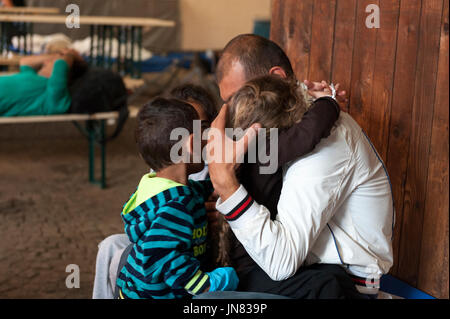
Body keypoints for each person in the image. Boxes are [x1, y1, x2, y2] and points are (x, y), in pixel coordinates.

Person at [204, 34, 394, 299]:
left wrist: (227, 186)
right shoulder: (266, 133)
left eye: (239, 96)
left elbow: (280, 263)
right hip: (280, 264)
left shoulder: (324, 138)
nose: (233, 112)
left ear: (277, 78)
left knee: (210, 297)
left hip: (338, 284)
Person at [115, 97, 239, 299]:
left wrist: (225, 174)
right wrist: (208, 285)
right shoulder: (176, 206)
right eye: (204, 136)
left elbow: (200, 189)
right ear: (192, 144)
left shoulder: (158, 189)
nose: (207, 142)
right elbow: (163, 256)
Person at [0, 49, 85, 116]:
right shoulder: (32, 75)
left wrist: (70, 54)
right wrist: (59, 55)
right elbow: (25, 61)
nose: (46, 62)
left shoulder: (52, 96)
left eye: (52, 61)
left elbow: (61, 65)